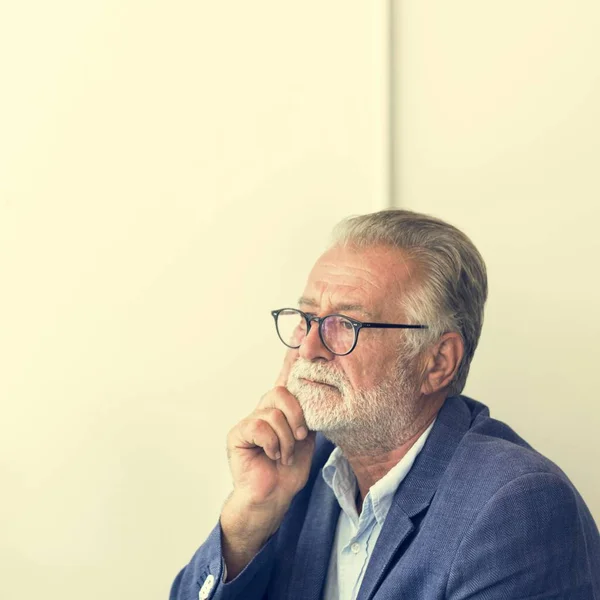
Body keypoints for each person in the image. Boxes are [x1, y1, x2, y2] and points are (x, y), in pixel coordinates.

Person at [170, 210, 600, 600]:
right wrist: (249, 517)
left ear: (437, 362)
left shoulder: (513, 506)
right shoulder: (296, 472)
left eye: (345, 324)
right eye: (307, 319)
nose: (309, 348)